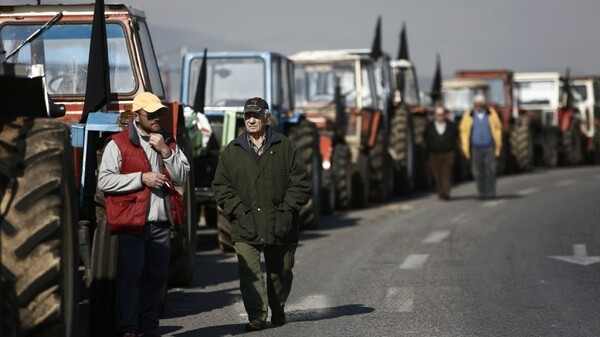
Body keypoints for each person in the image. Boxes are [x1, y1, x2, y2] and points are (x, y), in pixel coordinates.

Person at [212, 97, 311, 331]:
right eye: (248, 116)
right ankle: (257, 315)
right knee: (250, 273)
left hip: (280, 223)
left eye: (256, 115)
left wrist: (286, 210)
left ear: (266, 117)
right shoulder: (232, 151)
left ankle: (278, 308)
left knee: (281, 271)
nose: (251, 120)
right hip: (245, 223)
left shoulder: (285, 147)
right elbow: (221, 186)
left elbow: (301, 183)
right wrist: (237, 210)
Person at [98, 92, 190, 337]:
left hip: (160, 222)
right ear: (137, 116)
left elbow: (182, 177)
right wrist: (141, 178)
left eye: (159, 113)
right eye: (151, 114)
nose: (156, 117)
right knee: (131, 277)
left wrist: (165, 152)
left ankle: (149, 326)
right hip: (132, 223)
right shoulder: (117, 143)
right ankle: (128, 327)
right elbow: (105, 180)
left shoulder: (168, 141)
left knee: (156, 277)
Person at [459, 94, 502, 200]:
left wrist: (498, 143)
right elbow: (464, 131)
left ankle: (491, 192)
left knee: (491, 170)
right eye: (476, 104)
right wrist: (465, 147)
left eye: (480, 104)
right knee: (478, 172)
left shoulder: (491, 114)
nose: (478, 106)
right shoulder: (468, 115)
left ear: (484, 104)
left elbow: (498, 128)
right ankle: (481, 192)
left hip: (489, 147)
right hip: (475, 147)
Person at [424, 105, 458, 200]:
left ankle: (446, 192)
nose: (440, 117)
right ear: (435, 115)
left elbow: (455, 137)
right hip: (434, 154)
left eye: (442, 114)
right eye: (438, 115)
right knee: (437, 174)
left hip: (448, 153)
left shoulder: (450, 126)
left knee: (446, 173)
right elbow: (425, 138)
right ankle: (440, 191)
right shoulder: (429, 127)